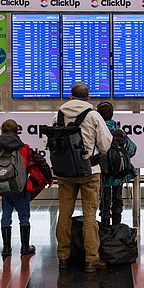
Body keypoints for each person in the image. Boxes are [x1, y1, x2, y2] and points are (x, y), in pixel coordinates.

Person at [54, 82, 113, 273]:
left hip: (65, 173)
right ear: (88, 98)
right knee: (89, 215)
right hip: (90, 171)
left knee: (64, 214)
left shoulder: (58, 115)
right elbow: (105, 144)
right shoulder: (94, 115)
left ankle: (63, 257)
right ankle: (91, 259)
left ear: (70, 97)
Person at [0, 119, 54, 258]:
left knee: (6, 215)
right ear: (17, 131)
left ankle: (6, 249)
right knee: (24, 217)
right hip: (21, 187)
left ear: (2, 131)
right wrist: (49, 178)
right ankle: (25, 247)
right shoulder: (24, 148)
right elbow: (41, 162)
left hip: (3, 187)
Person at [96, 101, 138, 226]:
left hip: (104, 173)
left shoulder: (98, 129)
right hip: (119, 173)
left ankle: (105, 226)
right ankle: (116, 226)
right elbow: (132, 149)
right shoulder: (118, 130)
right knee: (117, 198)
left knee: (105, 198)